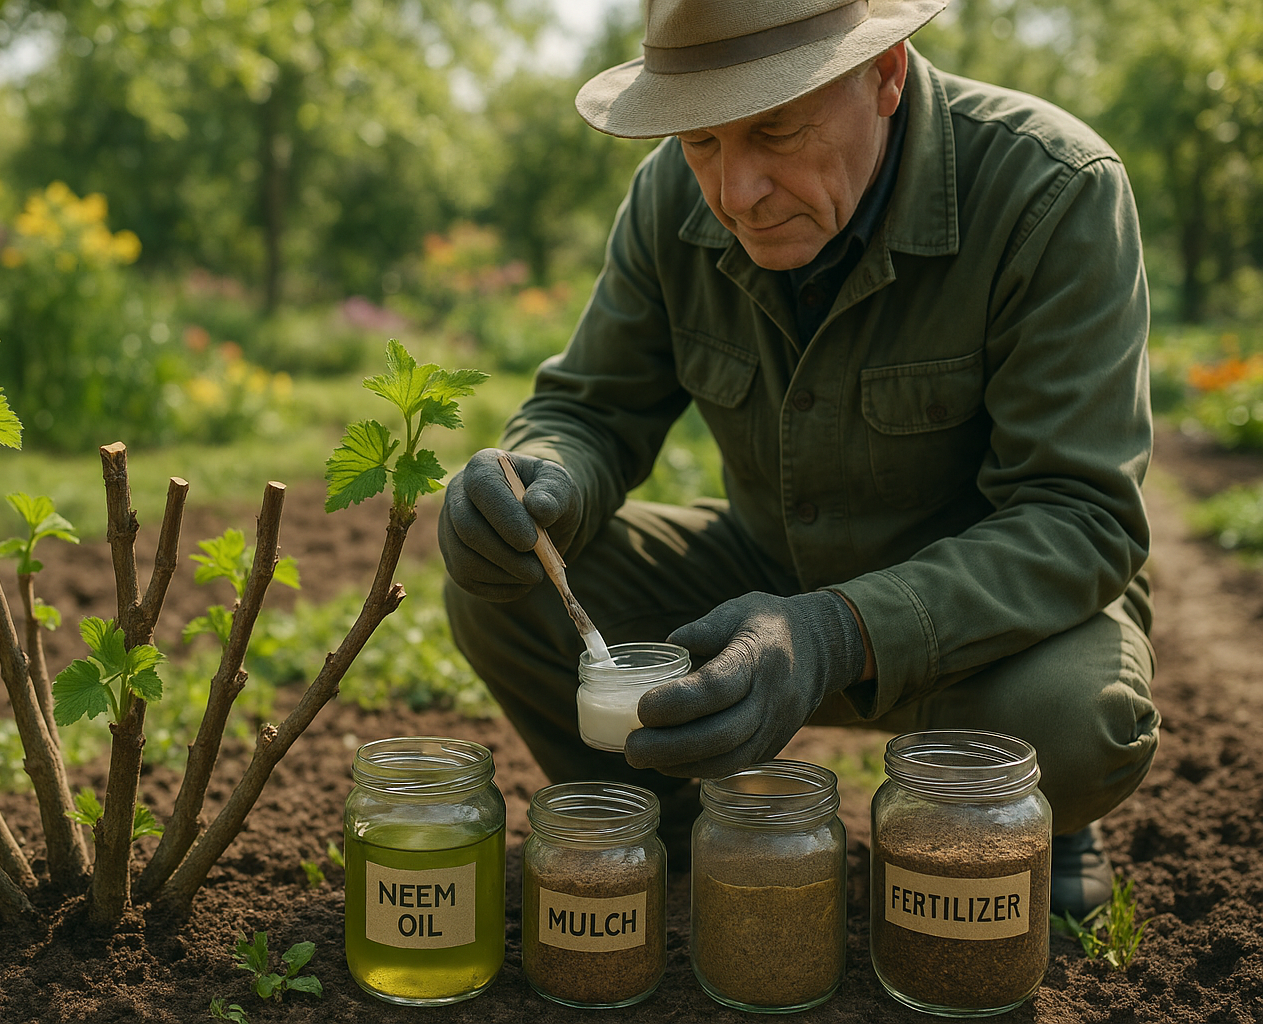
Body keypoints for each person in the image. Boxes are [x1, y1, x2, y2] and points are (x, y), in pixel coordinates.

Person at [438, 0, 1159, 918]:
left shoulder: (1050, 190)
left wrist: (834, 632)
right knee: (503, 585)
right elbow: (592, 406)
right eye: (701, 140)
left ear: (887, 73)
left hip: (994, 629)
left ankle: (1042, 824)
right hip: (765, 579)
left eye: (775, 129)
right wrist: (545, 480)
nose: (736, 192)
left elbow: (1081, 515)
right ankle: (671, 819)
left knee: (1065, 721)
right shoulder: (670, 196)